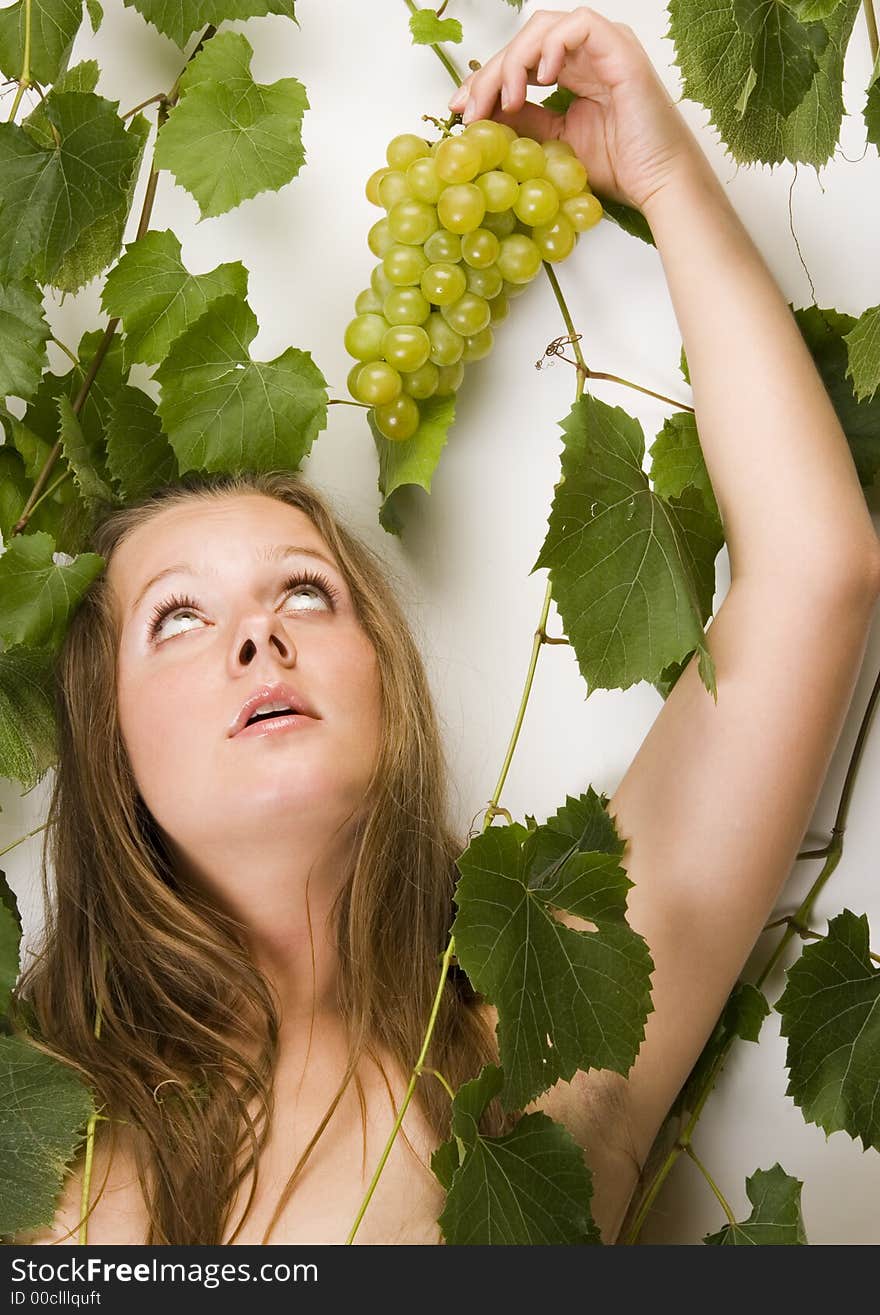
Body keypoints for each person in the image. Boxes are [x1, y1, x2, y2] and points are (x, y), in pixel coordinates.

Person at [11, 6, 880, 1247]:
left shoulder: (544, 1034)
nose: (258, 636)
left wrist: (663, 176)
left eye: (304, 590)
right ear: (105, 742)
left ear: (388, 673)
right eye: (179, 618)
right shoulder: (28, 1116)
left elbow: (815, 570)